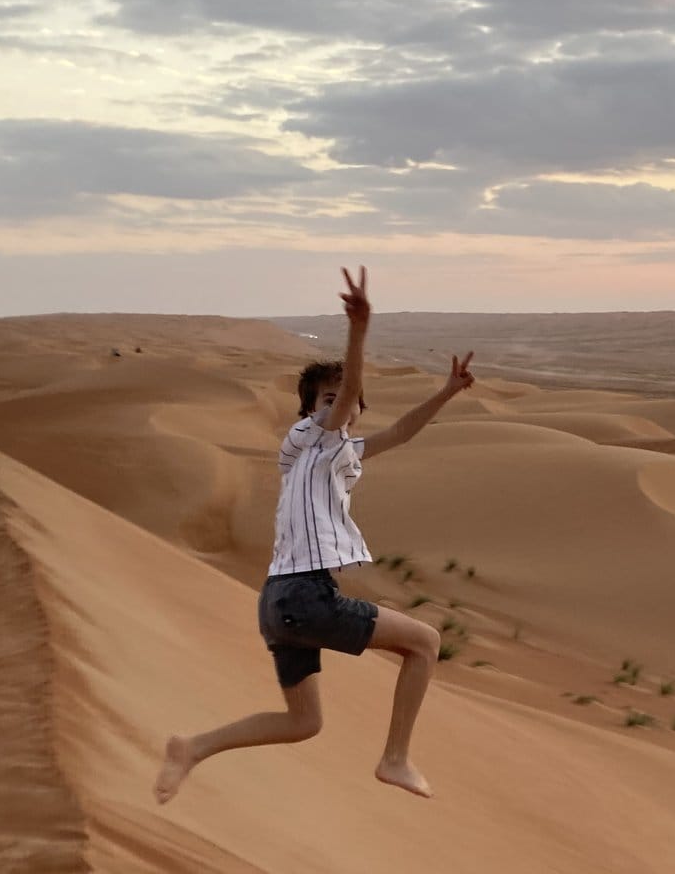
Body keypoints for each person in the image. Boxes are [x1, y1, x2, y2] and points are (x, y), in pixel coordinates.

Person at [154, 266, 475, 806]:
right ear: (309, 408)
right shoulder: (309, 438)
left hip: (279, 603)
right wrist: (359, 329)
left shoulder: (340, 451)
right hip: (303, 593)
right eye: (323, 398)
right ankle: (394, 757)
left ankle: (192, 747)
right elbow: (349, 391)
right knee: (425, 642)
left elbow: (399, 432)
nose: (336, 404)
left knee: (303, 722)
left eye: (341, 400)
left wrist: (445, 392)